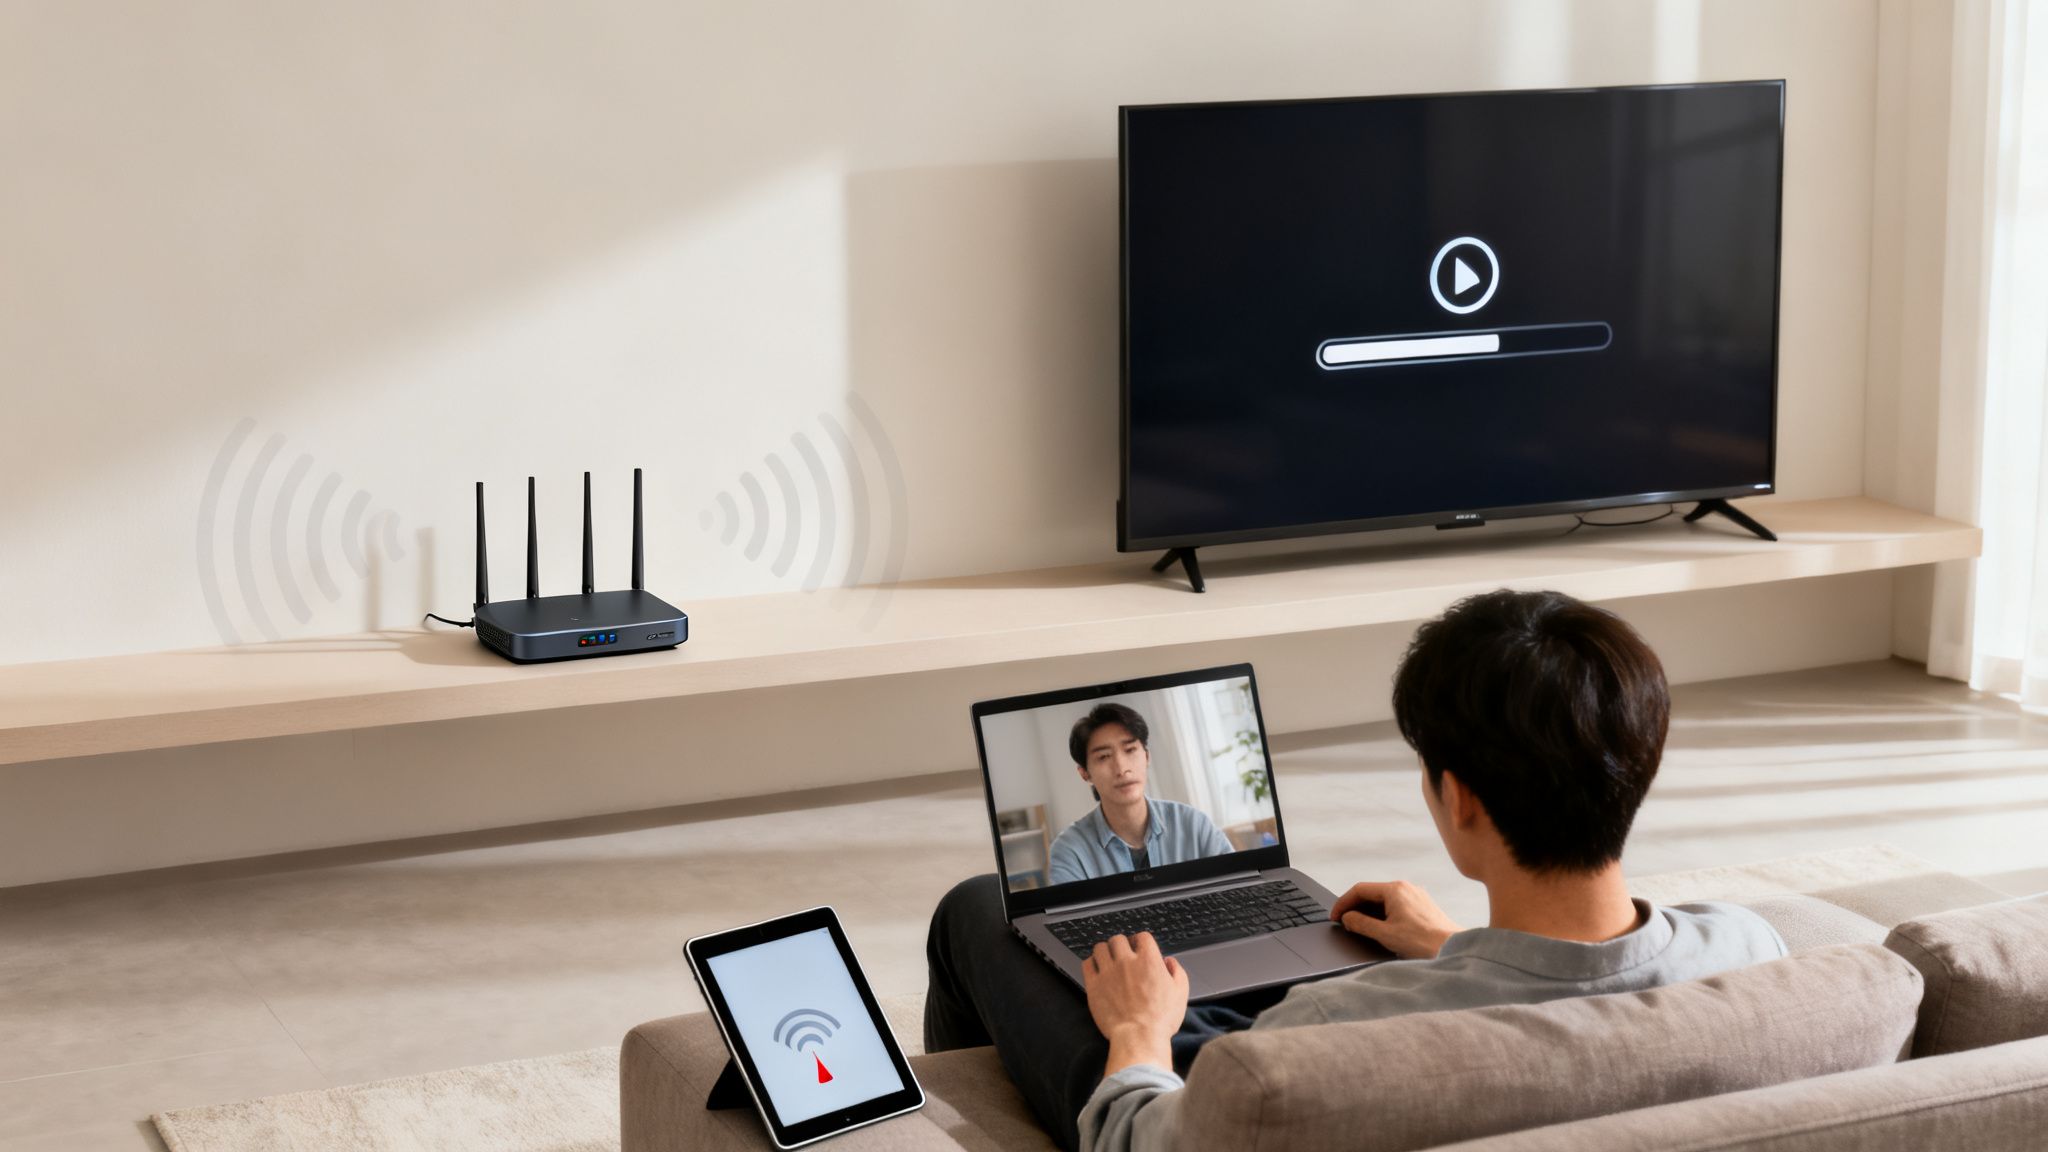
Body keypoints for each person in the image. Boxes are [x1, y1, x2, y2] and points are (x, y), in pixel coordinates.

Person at [923, 590, 1787, 1152]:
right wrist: (1455, 947)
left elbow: (1145, 1140)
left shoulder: (1324, 1030)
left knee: (975, 908)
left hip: (1180, 1091)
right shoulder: (1753, 951)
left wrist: (1140, 1034)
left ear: (1459, 798)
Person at [1045, 702, 1234, 885]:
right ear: (1085, 773)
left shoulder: (1194, 824)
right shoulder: (1069, 852)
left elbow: (1235, 884)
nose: (1122, 769)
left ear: (1146, 756)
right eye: (1104, 757)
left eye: (1130, 750)